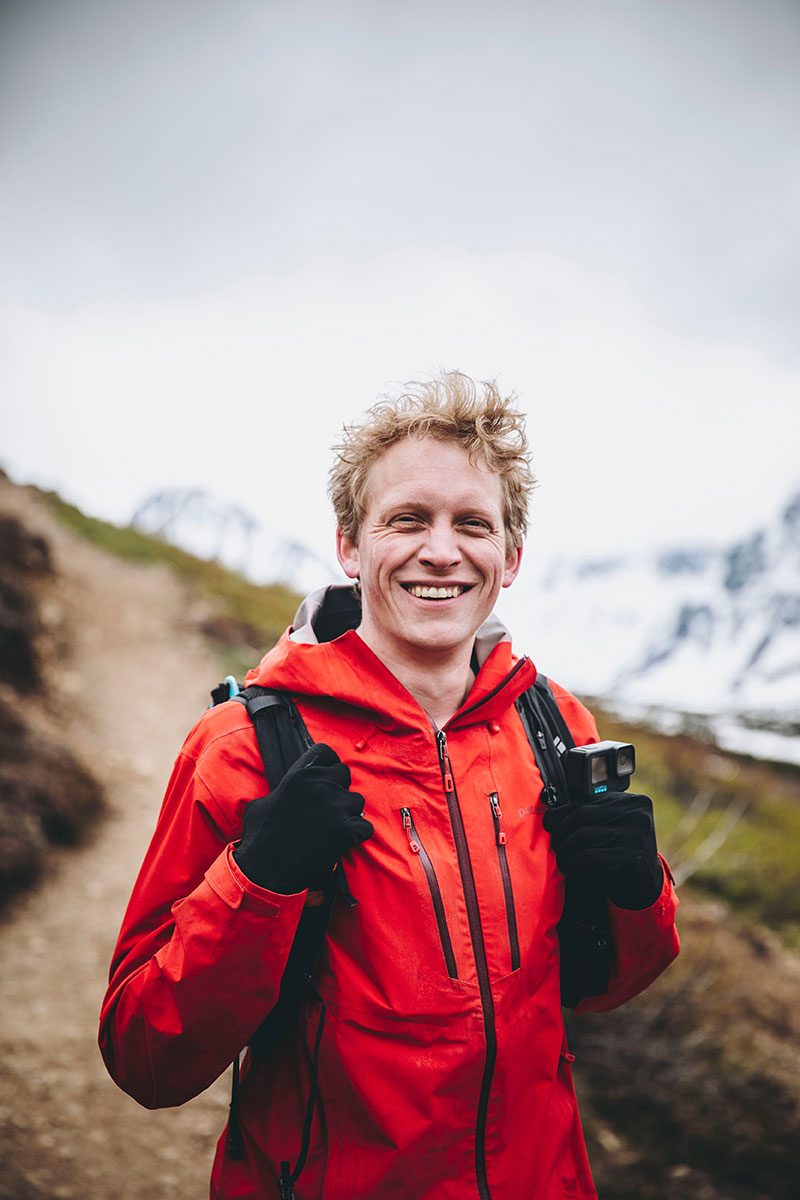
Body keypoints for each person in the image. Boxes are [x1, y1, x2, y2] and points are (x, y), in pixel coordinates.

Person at [99, 371, 679, 1200]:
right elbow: (143, 1056)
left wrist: (636, 892)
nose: (441, 550)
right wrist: (256, 882)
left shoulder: (556, 729)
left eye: (471, 524)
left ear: (509, 557)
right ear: (349, 543)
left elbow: (606, 987)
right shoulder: (244, 749)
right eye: (407, 519)